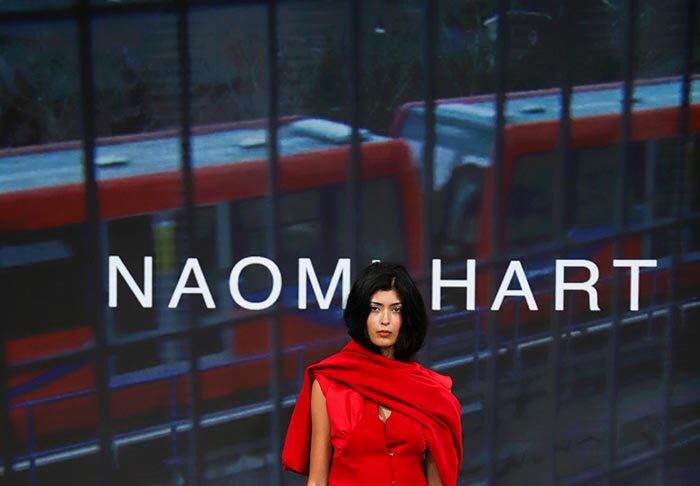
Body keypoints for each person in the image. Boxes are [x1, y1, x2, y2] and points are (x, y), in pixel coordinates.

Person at [282, 262, 463, 485]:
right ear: (361, 314)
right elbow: (317, 481)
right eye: (375, 309)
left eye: (395, 309)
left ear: (407, 318)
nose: (385, 320)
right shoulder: (329, 383)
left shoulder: (431, 393)